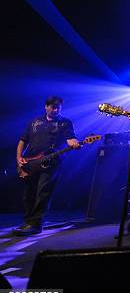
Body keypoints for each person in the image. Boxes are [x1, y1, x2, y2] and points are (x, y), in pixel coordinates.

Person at [14, 96, 80, 236]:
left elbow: (70, 139)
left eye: (58, 108)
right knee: (28, 194)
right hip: (31, 162)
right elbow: (22, 141)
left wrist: (75, 143)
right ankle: (28, 221)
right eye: (52, 107)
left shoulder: (64, 123)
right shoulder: (34, 122)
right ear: (46, 106)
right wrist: (19, 159)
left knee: (43, 192)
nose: (55, 110)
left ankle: (36, 224)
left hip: (51, 163)